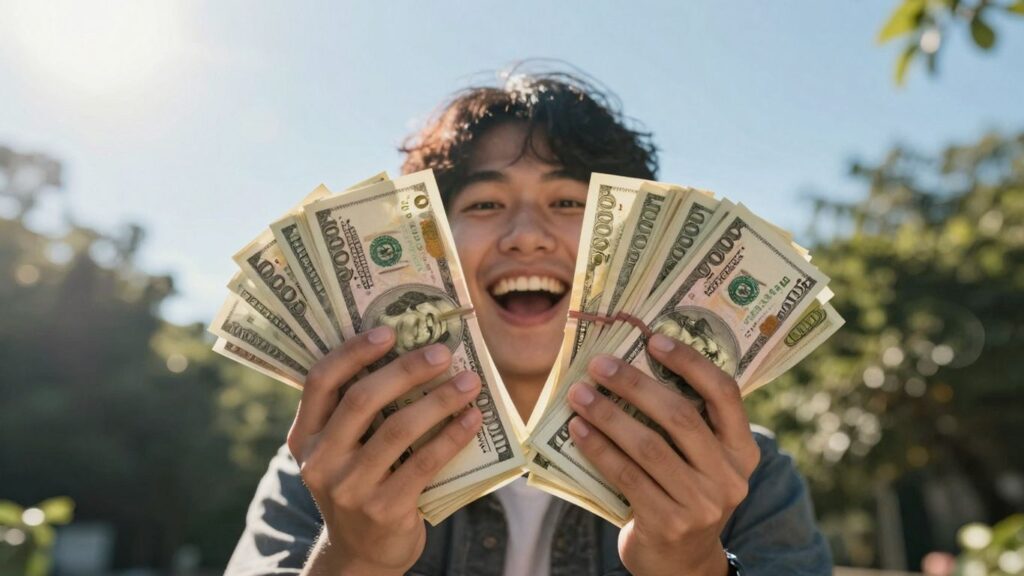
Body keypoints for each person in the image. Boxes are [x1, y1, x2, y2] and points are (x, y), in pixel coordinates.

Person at [224, 69, 832, 576]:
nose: (525, 237)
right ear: (428, 242)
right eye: (485, 204)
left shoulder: (748, 475)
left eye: (569, 202)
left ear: (631, 247)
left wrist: (696, 565)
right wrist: (351, 558)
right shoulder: (329, 467)